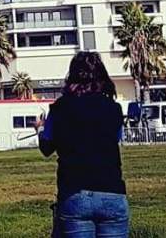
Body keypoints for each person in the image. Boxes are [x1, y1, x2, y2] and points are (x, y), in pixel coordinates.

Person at [39, 52, 128, 238]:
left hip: (74, 191)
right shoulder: (114, 109)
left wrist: (40, 128)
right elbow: (116, 137)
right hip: (112, 190)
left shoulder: (59, 108)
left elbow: (46, 148)